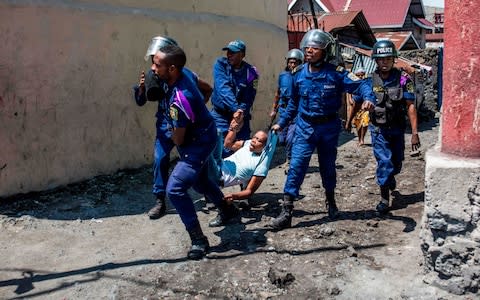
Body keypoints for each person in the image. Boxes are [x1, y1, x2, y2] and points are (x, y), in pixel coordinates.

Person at [270, 29, 376, 230]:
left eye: (315, 48)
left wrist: (369, 98)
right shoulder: (298, 74)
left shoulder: (336, 73)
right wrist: (281, 122)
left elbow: (361, 85)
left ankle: (331, 200)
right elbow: (292, 103)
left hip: (328, 128)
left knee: (328, 167)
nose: (309, 50)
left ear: (325, 51)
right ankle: (287, 211)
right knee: (296, 167)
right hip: (305, 127)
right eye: (308, 47)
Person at [152, 44, 236, 260]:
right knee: (199, 182)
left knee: (175, 189)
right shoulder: (185, 72)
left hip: (197, 143)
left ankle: (199, 240)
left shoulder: (180, 99)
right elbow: (207, 88)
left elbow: (178, 138)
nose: (152, 67)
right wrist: (196, 113)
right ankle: (226, 208)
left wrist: (172, 129)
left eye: (157, 64)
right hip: (204, 134)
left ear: (172, 69)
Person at [133, 36, 213, 220]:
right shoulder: (153, 75)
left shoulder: (183, 75)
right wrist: (142, 88)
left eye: (157, 60)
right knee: (160, 159)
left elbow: (207, 89)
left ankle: (210, 195)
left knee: (198, 161)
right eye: (153, 59)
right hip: (164, 125)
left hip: (182, 126)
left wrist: (195, 109)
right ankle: (160, 200)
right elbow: (140, 101)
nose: (154, 65)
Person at [360, 39, 421, 214]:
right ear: (376, 61)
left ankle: (390, 177)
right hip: (378, 129)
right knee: (384, 162)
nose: (384, 62)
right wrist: (365, 103)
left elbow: (410, 105)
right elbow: (361, 98)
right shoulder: (368, 80)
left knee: (397, 162)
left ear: (393, 59)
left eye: (388, 58)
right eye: (381, 59)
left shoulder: (403, 79)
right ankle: (384, 199)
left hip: (397, 128)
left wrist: (415, 133)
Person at [207, 117, 278, 226]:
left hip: (219, 175)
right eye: (255, 137)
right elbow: (227, 144)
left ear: (264, 147)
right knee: (217, 132)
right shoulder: (247, 143)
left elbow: (249, 191)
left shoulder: (261, 165)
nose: (254, 140)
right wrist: (233, 129)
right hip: (219, 162)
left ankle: (226, 212)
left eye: (259, 140)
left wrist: (233, 196)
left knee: (205, 156)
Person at [210, 39, 259, 158]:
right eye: (228, 52)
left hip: (241, 116)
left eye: (233, 52)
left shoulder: (252, 72)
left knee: (243, 150)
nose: (229, 55)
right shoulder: (220, 64)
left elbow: (249, 96)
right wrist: (236, 110)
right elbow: (223, 89)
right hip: (220, 115)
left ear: (242, 54)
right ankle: (218, 175)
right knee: (218, 148)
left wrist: (239, 115)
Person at [269, 49, 304, 172]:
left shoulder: (303, 76)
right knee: (282, 139)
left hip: (296, 113)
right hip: (284, 111)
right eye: (290, 62)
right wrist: (274, 109)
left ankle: (290, 160)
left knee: (291, 138)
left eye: (295, 62)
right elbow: (278, 93)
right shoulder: (283, 76)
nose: (292, 65)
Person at [345, 69, 369, 146]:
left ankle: (362, 139)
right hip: (356, 106)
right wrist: (350, 99)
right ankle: (359, 138)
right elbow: (349, 92)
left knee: (365, 122)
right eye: (358, 75)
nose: (360, 76)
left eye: (362, 75)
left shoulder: (366, 83)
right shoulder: (353, 83)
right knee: (358, 123)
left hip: (364, 107)